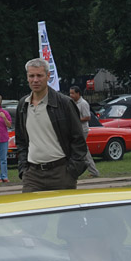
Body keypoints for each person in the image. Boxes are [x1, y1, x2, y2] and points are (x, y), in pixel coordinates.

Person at [14, 57, 88, 192]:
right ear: (27, 77)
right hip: (32, 175)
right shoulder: (23, 105)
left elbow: (78, 139)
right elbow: (20, 140)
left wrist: (72, 171)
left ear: (48, 76)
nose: (35, 80)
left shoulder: (64, 103)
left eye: (39, 75)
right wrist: (23, 169)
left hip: (61, 173)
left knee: (66, 213)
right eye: (32, 76)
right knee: (31, 213)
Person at [69, 85, 100, 178]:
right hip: (75, 130)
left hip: (82, 130)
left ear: (78, 93)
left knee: (83, 151)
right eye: (70, 93)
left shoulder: (83, 103)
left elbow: (87, 117)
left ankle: (94, 171)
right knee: (78, 150)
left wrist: (76, 120)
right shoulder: (73, 103)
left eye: (72, 93)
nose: (71, 95)